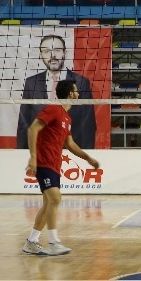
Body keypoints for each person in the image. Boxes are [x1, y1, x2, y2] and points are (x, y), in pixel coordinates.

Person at [22, 79, 100, 256]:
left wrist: (88, 158)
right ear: (70, 94)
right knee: (55, 198)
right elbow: (32, 129)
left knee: (48, 203)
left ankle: (31, 241)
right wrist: (33, 158)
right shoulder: (54, 109)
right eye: (76, 91)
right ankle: (54, 242)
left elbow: (70, 144)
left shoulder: (66, 117)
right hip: (43, 162)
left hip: (55, 164)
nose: (78, 94)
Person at [17, 34, 96, 149]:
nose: (52, 55)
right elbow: (24, 123)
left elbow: (88, 124)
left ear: (65, 53)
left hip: (71, 152)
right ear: (41, 55)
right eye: (46, 51)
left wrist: (86, 155)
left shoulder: (81, 83)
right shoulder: (31, 83)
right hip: (41, 151)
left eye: (57, 50)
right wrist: (21, 154)